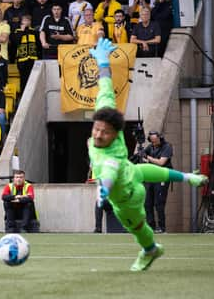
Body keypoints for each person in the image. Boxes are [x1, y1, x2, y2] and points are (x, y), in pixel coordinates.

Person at [87, 38, 207, 271]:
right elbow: (105, 86)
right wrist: (102, 61)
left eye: (104, 132)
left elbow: (109, 172)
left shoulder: (108, 157)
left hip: (127, 195)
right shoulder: (106, 115)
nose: (99, 134)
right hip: (132, 172)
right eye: (97, 128)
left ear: (115, 135)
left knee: (137, 227)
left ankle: (151, 249)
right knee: (142, 170)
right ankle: (188, 177)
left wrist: (103, 191)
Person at [141, 131, 173, 233]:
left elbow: (161, 162)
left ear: (160, 138)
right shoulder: (150, 147)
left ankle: (162, 227)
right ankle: (151, 227)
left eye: (155, 141)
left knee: (159, 203)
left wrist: (148, 158)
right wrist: (142, 155)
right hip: (151, 177)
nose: (154, 143)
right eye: (152, 141)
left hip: (162, 176)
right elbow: (143, 155)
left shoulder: (167, 147)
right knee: (147, 203)